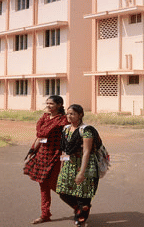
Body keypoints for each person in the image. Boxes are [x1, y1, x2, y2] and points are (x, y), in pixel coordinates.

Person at [24, 95, 68, 224]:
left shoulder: (63, 120)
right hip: (42, 154)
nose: (48, 105)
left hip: (55, 155)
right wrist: (32, 150)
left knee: (54, 184)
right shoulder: (44, 117)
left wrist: (67, 157)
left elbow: (68, 139)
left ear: (59, 105)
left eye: (51, 104)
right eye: (47, 103)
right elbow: (41, 138)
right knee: (43, 185)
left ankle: (78, 206)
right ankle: (45, 214)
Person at [57, 104, 99, 226]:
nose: (69, 116)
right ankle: (79, 209)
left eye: (72, 114)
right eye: (68, 113)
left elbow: (86, 152)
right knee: (62, 192)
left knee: (83, 195)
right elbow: (64, 149)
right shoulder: (65, 129)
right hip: (68, 165)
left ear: (80, 115)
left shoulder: (86, 131)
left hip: (85, 166)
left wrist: (82, 173)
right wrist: (62, 166)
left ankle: (81, 218)